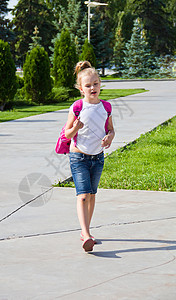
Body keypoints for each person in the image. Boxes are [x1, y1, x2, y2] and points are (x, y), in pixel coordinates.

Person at [65, 61, 115, 252]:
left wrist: (109, 138)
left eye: (95, 83)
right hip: (79, 157)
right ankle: (85, 235)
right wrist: (75, 128)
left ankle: (87, 231)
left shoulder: (106, 107)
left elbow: (111, 130)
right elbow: (66, 134)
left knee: (92, 195)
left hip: (98, 157)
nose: (92, 88)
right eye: (88, 85)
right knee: (83, 195)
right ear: (81, 89)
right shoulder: (77, 107)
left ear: (100, 84)